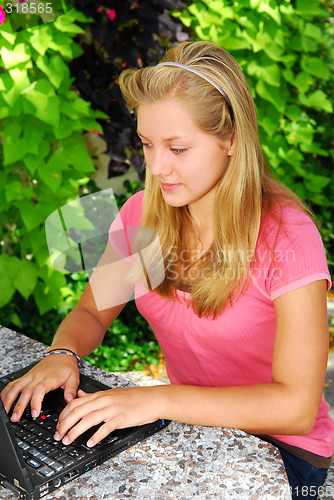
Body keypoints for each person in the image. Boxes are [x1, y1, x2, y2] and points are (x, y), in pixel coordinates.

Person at [1, 41, 333, 499]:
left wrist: (153, 398)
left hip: (282, 451)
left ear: (231, 139)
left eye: (178, 148)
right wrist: (63, 355)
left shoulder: (287, 237)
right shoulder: (144, 217)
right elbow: (93, 315)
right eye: (147, 144)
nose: (157, 167)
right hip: (189, 424)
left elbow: (295, 406)